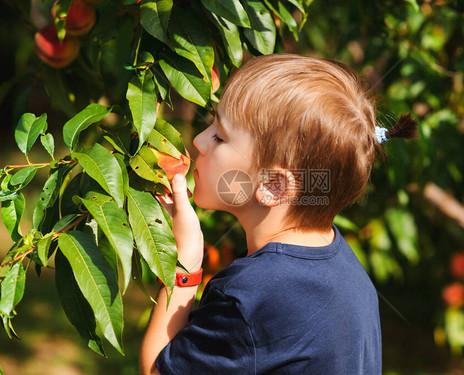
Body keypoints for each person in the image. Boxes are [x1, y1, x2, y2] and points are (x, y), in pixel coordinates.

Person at [138, 53, 417, 375]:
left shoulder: (250, 297)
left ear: (273, 185)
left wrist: (184, 264)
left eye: (220, 136)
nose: (200, 141)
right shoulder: (346, 271)